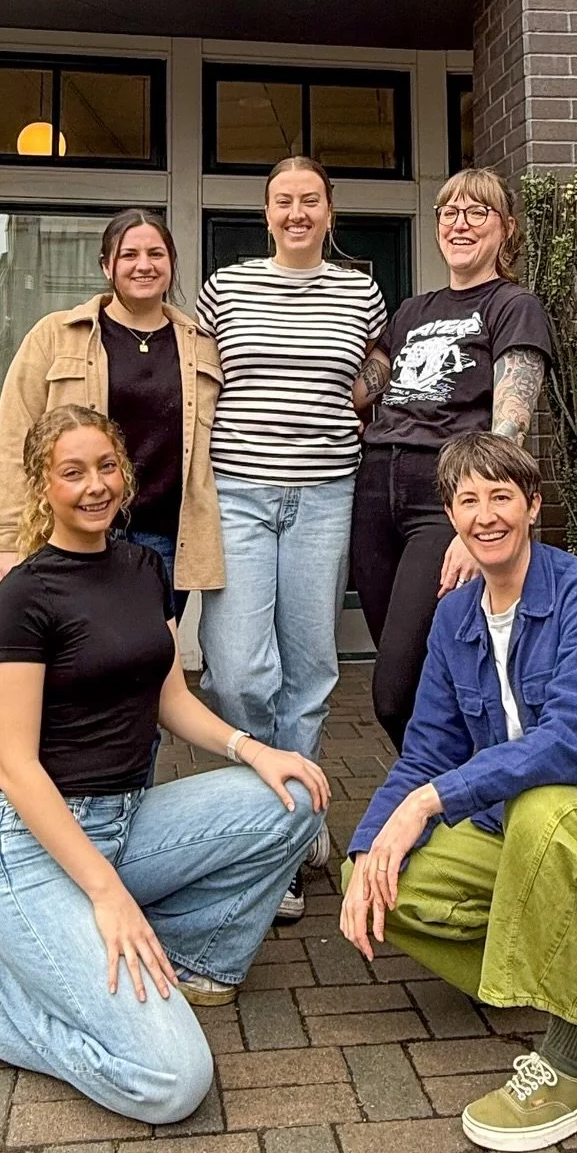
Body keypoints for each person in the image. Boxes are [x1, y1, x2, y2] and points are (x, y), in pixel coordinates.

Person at [0, 404, 327, 1125]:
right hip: (31, 849)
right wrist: (107, 893)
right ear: (43, 486)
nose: (94, 486)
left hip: (126, 820)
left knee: (295, 797)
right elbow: (15, 769)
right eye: (72, 473)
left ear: (127, 474)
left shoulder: (144, 567)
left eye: (106, 467)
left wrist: (256, 749)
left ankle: (191, 957)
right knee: (171, 1083)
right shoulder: (25, 595)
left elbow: (168, 697)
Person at [339, 435, 577, 1153]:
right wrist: (370, 843)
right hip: (530, 834)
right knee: (380, 878)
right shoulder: (454, 619)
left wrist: (428, 804)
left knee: (544, 803)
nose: (486, 516)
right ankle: (563, 955)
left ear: (533, 505)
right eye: (469, 500)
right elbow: (425, 752)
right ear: (451, 514)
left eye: (502, 497)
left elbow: (572, 745)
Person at [0, 209, 223, 823]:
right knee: (30, 694)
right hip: (64, 539)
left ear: (171, 265)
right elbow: (13, 438)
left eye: (156, 255)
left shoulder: (197, 343)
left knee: (140, 684)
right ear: (107, 266)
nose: (144, 265)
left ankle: (122, 826)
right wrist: (4, 541)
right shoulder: (57, 335)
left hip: (158, 541)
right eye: (130, 254)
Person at [196, 155, 386, 920]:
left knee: (309, 668)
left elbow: (374, 369)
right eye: (284, 201)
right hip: (237, 494)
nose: (297, 212)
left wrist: (356, 404)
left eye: (310, 200)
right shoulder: (227, 287)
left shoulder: (359, 289)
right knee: (240, 671)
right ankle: (265, 813)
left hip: (323, 493)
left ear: (330, 212)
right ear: (267, 213)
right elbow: (200, 376)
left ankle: (292, 836)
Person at [349, 167, 554, 748]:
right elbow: (366, 388)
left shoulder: (513, 305)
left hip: (442, 497)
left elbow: (509, 427)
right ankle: (452, 799)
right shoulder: (414, 309)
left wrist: (475, 524)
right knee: (422, 676)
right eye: (449, 213)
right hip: (375, 491)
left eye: (477, 212)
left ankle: (457, 788)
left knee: (394, 688)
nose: (459, 224)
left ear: (505, 228)